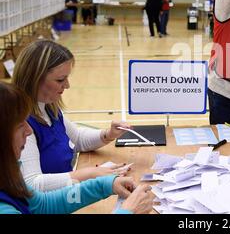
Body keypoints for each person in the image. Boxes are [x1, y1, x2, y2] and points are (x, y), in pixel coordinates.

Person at [0, 82, 153, 214]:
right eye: (20, 125)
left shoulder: (7, 174)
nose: (28, 130)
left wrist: (105, 185)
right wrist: (127, 210)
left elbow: (43, 205)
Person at [12, 40, 132, 192]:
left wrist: (108, 134)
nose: (67, 85)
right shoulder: (20, 123)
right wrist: (91, 174)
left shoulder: (49, 108)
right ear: (35, 78)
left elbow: (78, 139)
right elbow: (33, 184)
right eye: (60, 80)